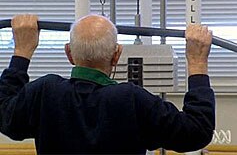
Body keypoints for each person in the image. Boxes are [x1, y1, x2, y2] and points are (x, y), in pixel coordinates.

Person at [0, 14, 215, 155]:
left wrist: (22, 52)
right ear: (117, 55)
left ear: (69, 53)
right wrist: (197, 63)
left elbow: (4, 114)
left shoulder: (45, 93)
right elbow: (196, 131)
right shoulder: (132, 100)